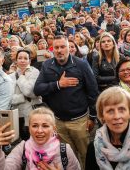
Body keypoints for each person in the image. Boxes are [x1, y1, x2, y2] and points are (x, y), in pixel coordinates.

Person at [34, 35, 99, 169]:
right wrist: (58, 84)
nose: (59, 50)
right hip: (58, 122)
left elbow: (93, 91)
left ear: (69, 48)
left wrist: (92, 116)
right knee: (68, 158)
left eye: (63, 47)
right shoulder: (47, 65)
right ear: (52, 50)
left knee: (86, 156)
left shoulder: (81, 64)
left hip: (79, 121)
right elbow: (38, 89)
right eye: (56, 47)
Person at [0, 107, 81, 170]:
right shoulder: (22, 148)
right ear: (29, 128)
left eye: (45, 126)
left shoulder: (64, 150)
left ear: (54, 128)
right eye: (35, 126)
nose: (39, 130)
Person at [85, 86, 130, 170]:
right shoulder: (93, 148)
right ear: (102, 116)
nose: (116, 116)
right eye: (110, 111)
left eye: (122, 109)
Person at [9, 49, 42, 140]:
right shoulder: (10, 76)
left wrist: (21, 76)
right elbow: (9, 98)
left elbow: (29, 91)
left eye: (25, 58)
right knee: (23, 141)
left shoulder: (35, 72)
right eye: (20, 58)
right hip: (18, 115)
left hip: (32, 113)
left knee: (35, 139)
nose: (22, 60)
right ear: (16, 61)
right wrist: (23, 97)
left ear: (30, 61)